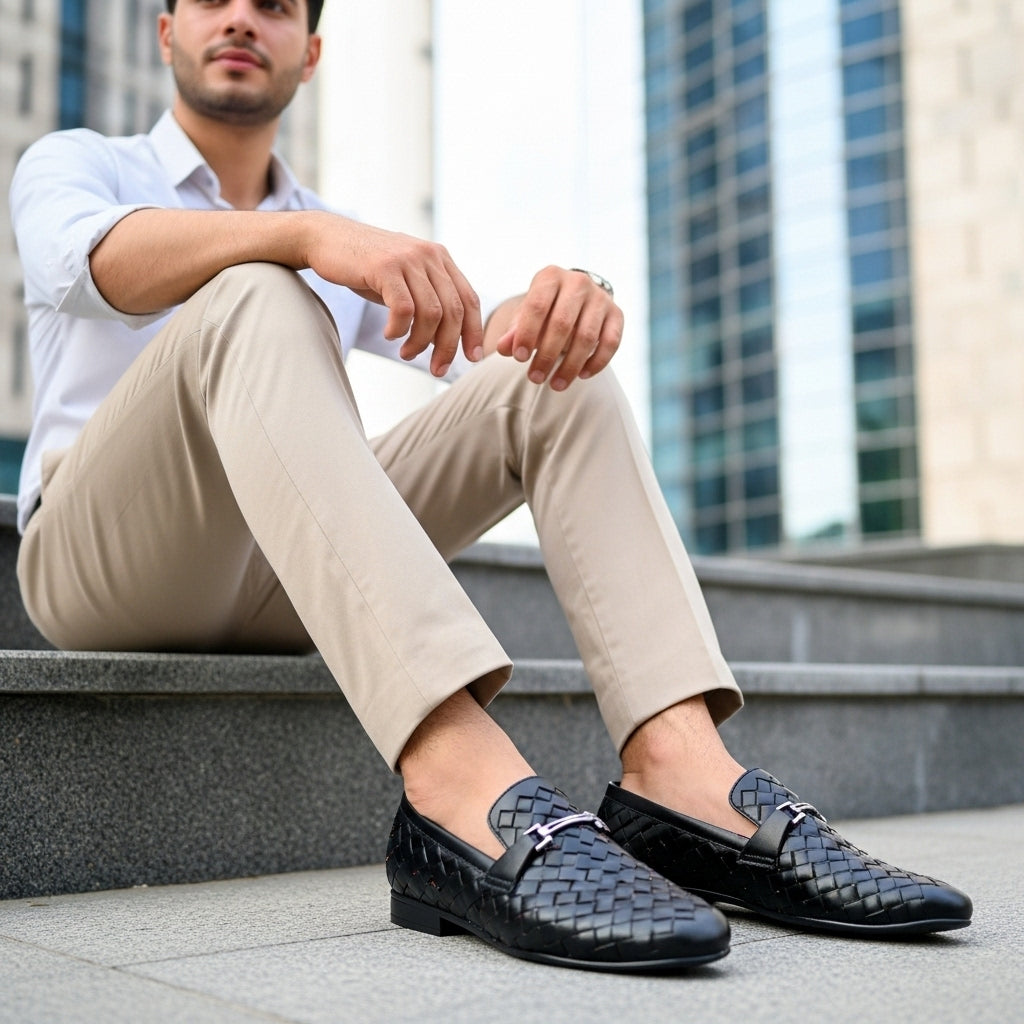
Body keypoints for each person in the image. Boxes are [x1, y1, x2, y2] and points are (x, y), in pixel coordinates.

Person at [10, 0, 971, 972]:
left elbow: (480, 350)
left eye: (275, 6)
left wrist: (556, 309)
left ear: (312, 51)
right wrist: (293, 239)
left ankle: (680, 780)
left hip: (281, 575)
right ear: (166, 29)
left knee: (555, 382)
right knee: (257, 286)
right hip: (101, 564)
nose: (241, 19)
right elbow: (90, 265)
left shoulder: (335, 233)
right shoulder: (82, 163)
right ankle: (455, 788)